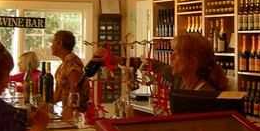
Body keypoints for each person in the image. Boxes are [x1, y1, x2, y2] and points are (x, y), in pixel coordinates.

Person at [91, 34, 229, 91]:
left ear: (192, 62)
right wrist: (117, 60)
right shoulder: (181, 81)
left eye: (177, 54)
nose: (171, 58)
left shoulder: (205, 93)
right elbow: (153, 65)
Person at [51, 30, 90, 114]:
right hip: (69, 112)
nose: (51, 46)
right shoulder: (62, 66)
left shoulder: (71, 61)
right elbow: (57, 96)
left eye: (52, 42)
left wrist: (70, 109)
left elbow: (75, 87)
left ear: (59, 44)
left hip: (77, 113)